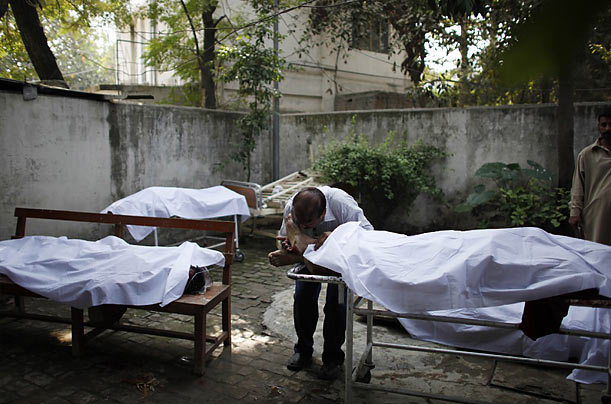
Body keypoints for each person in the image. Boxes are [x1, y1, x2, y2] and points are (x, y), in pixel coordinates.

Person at [268, 186, 373, 380]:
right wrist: (288, 245)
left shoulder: (341, 203)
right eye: (301, 223)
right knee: (302, 297)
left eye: (309, 223)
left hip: (342, 258)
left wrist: (335, 237)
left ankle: (333, 358)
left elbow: (368, 233)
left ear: (323, 214)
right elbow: (284, 237)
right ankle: (303, 350)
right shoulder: (292, 207)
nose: (304, 226)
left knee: (336, 304)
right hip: (309, 257)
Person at [569, 110, 611, 246]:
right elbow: (578, 185)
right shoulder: (587, 155)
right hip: (597, 216)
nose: (607, 128)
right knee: (598, 252)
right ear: (599, 127)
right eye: (603, 125)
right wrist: (575, 212)